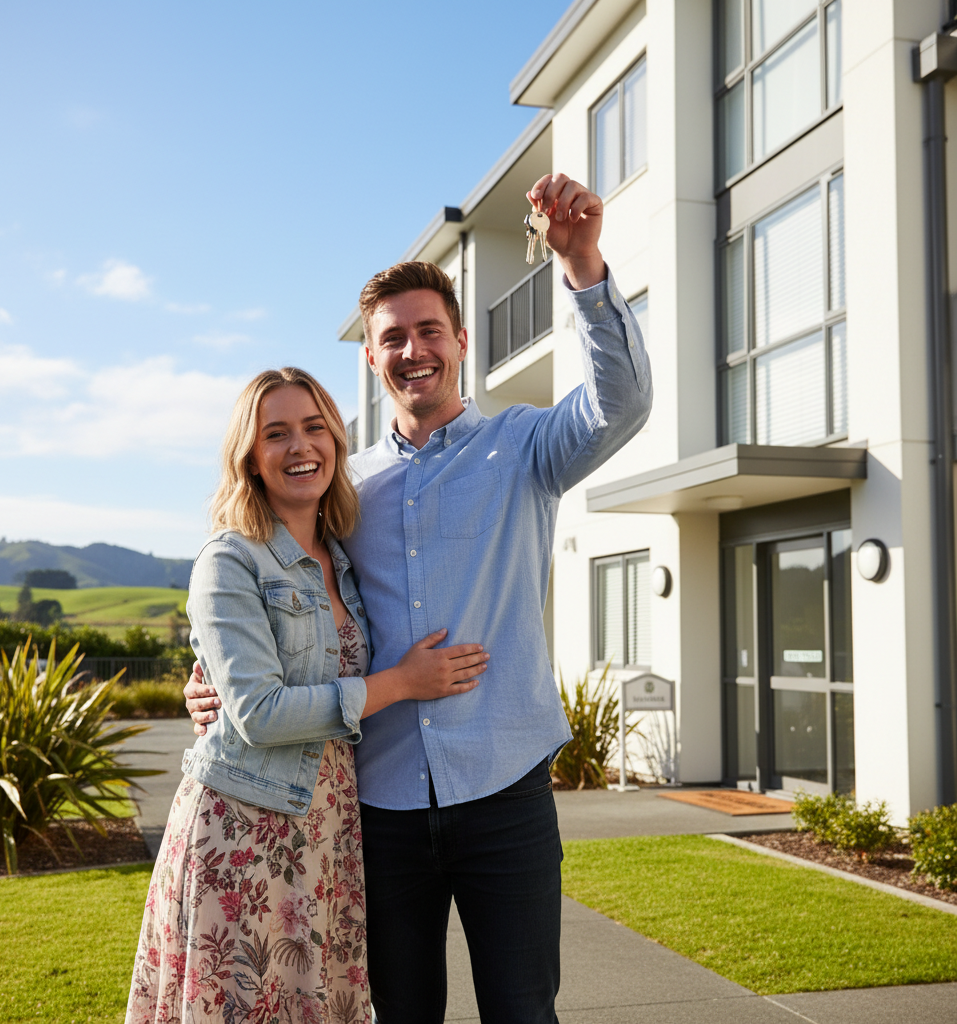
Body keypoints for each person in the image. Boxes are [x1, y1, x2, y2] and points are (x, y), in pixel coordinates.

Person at [186, 173, 653, 1023]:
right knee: (399, 1013)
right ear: (372, 358)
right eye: (392, 339)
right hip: (378, 804)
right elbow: (286, 598)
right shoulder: (341, 485)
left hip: (505, 789)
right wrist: (214, 682)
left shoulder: (526, 448)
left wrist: (582, 264)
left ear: (461, 341)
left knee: (523, 1011)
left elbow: (622, 406)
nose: (413, 351)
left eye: (428, 331)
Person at [127, 367, 488, 1024]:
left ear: (337, 443)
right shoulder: (230, 560)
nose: (300, 447)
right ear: (251, 458)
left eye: (314, 427)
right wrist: (401, 683)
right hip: (243, 831)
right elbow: (260, 714)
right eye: (277, 433)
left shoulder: (345, 561)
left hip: (328, 836)